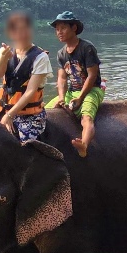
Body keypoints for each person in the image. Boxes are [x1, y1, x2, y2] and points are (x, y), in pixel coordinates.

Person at [46, 11, 105, 157]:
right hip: (71, 92)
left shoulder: (86, 48)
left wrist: (81, 98)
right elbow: (62, 79)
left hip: (92, 90)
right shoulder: (61, 53)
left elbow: (92, 76)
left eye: (63, 28)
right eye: (57, 29)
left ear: (74, 28)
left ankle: (84, 145)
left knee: (87, 117)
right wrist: (61, 97)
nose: (59, 32)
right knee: (45, 111)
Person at [0, 11, 52, 142]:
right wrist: (3, 59)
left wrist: (10, 115)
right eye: (18, 30)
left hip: (30, 116)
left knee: (25, 149)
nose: (23, 34)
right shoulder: (5, 51)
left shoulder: (41, 57)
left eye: (26, 29)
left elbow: (30, 91)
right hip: (5, 110)